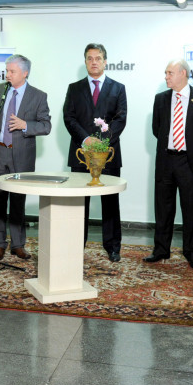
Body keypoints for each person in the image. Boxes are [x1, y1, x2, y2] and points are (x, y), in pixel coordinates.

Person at [144, 59, 193, 269]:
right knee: (163, 207)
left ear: (183, 73)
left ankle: (192, 252)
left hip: (188, 161)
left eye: (169, 73)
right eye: (166, 73)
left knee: (191, 207)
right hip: (166, 160)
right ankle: (160, 250)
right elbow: (156, 129)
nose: (166, 76)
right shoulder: (160, 99)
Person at [0, 54, 51, 260]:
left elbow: (46, 126)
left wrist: (25, 125)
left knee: (18, 200)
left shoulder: (38, 96)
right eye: (7, 70)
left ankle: (18, 244)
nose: (7, 74)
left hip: (21, 155)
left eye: (12, 71)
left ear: (25, 73)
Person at [62, 43, 127, 262]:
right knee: (79, 202)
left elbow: (120, 119)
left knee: (110, 202)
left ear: (105, 61)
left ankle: (113, 247)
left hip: (108, 154)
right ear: (85, 61)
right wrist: (86, 139)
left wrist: (100, 143)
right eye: (90, 58)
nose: (94, 62)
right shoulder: (74, 88)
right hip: (81, 153)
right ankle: (76, 244)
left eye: (98, 58)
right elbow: (68, 117)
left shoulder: (118, 88)